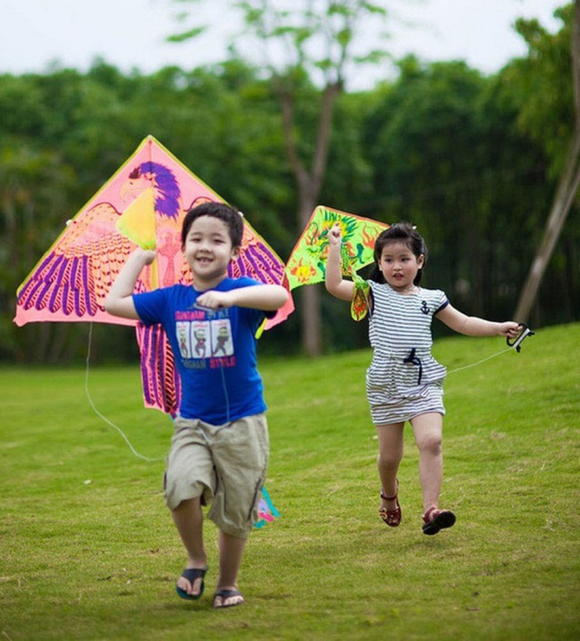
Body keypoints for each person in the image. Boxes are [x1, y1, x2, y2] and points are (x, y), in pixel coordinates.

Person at [105, 201, 288, 607]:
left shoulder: (242, 292)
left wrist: (231, 300)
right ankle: (195, 557)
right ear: (183, 247)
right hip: (192, 421)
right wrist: (138, 258)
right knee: (180, 486)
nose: (205, 247)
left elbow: (278, 294)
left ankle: (227, 583)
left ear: (233, 252)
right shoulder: (171, 299)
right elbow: (114, 304)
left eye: (217, 240)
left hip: (242, 422)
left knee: (236, 509)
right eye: (196, 238)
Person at [324, 221, 520, 535]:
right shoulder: (371, 292)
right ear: (379, 264)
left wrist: (498, 328)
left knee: (432, 441)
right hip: (385, 385)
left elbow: (464, 322)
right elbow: (335, 286)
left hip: (423, 380)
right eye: (388, 260)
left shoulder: (432, 298)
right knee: (390, 457)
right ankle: (389, 495)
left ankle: (431, 509)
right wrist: (334, 248)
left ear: (420, 261)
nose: (396, 266)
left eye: (404, 259)